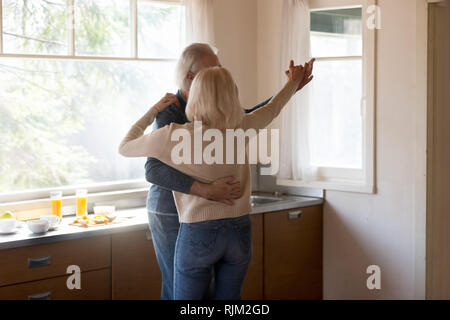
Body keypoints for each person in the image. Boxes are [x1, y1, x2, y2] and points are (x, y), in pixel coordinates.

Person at [119, 59, 314, 299]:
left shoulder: (175, 135)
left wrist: (153, 111)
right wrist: (293, 82)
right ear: (232, 95)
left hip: (198, 233)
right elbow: (274, 107)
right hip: (239, 231)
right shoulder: (243, 127)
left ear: (195, 97)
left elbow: (125, 147)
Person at [144, 43, 270, 300]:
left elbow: (252, 116)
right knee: (177, 287)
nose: (220, 75)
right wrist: (207, 190)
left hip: (204, 211)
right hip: (171, 209)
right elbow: (154, 170)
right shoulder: (170, 111)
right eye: (213, 69)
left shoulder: (217, 107)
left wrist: (290, 89)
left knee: (208, 291)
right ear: (191, 77)